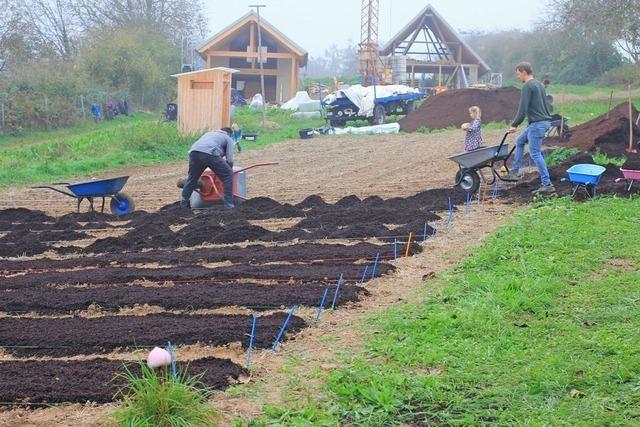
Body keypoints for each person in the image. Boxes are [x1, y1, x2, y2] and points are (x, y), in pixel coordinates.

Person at [504, 62, 555, 194]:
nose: (518, 77)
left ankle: (547, 184)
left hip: (537, 124)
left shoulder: (528, 86)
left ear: (524, 72)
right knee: (520, 141)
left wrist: (514, 124)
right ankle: (514, 172)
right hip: (539, 123)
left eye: (518, 74)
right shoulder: (539, 84)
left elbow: (523, 108)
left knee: (535, 153)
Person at [180, 127, 235, 209]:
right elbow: (229, 159)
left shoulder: (208, 134)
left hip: (194, 152)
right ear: (229, 134)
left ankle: (183, 205)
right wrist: (228, 169)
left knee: (192, 178)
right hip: (210, 153)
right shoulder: (228, 138)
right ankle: (229, 204)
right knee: (228, 175)